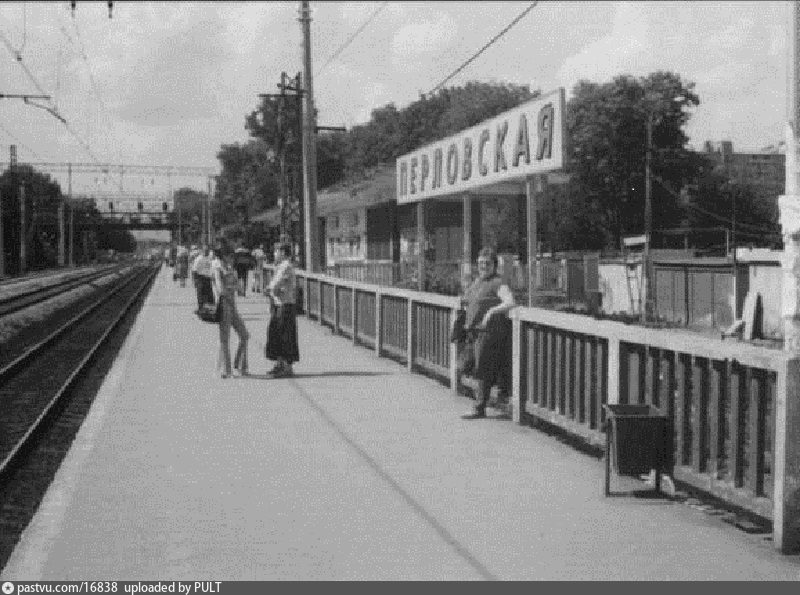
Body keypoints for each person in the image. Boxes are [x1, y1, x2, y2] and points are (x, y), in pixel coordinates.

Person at [456, 246, 516, 419]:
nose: (483, 266)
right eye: (481, 263)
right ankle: (485, 400)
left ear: (494, 265)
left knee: (482, 370)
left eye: (487, 263)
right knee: (463, 365)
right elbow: (468, 298)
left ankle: (479, 407)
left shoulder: (498, 282)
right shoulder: (478, 281)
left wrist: (491, 312)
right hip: (472, 332)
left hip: (487, 333)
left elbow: (510, 302)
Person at [211, 244, 249, 379]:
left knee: (244, 335)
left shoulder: (230, 268)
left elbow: (238, 288)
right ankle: (226, 370)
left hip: (232, 305)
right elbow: (221, 289)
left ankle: (239, 365)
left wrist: (234, 286)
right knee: (225, 339)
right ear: (224, 256)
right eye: (230, 256)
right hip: (223, 305)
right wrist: (233, 287)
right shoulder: (217, 268)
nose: (232, 259)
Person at [265, 242, 299, 378]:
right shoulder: (280, 266)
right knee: (276, 334)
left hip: (285, 304)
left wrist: (269, 288)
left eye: (276, 251)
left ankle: (287, 366)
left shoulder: (286, 266)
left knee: (286, 335)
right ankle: (279, 363)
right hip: (278, 303)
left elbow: (276, 284)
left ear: (283, 253)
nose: (274, 254)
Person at [191, 245, 214, 311]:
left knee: (209, 293)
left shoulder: (210, 258)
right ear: (202, 251)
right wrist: (194, 280)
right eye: (205, 250)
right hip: (200, 277)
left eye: (207, 251)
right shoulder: (199, 259)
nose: (206, 252)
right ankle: (201, 307)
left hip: (208, 277)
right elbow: (194, 270)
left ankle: (209, 307)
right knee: (200, 293)